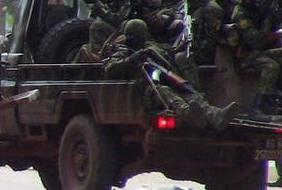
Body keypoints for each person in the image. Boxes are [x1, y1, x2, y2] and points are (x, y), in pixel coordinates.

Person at [102, 19, 238, 130]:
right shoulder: (123, 51)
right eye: (134, 37)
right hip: (146, 91)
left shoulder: (152, 48)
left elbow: (170, 54)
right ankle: (186, 113)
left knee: (189, 92)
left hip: (164, 80)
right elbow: (110, 69)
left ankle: (216, 115)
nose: (137, 40)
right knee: (165, 91)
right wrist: (132, 59)